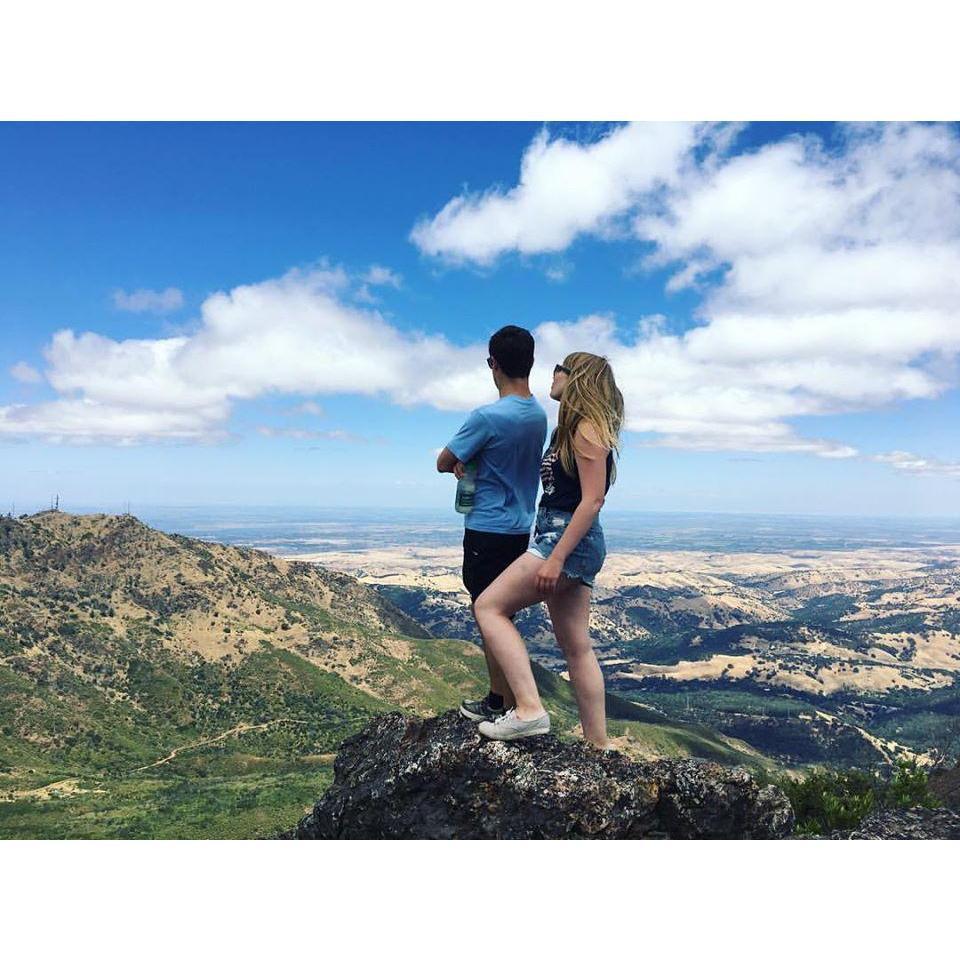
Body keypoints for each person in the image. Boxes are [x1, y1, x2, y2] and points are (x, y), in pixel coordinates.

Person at [470, 352, 623, 747]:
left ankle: (528, 709)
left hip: (565, 539)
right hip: (570, 538)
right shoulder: (570, 429)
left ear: (577, 378)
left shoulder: (587, 428)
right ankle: (598, 746)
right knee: (576, 646)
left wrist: (555, 558)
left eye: (561, 368)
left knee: (489, 607)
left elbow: (591, 501)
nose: (552, 374)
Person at [436, 325, 548, 723]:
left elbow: (443, 461)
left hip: (486, 527)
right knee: (504, 614)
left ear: (492, 364)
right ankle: (504, 699)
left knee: (488, 613)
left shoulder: (485, 416)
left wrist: (467, 462)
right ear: (531, 364)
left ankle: (504, 703)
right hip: (521, 529)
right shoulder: (538, 416)